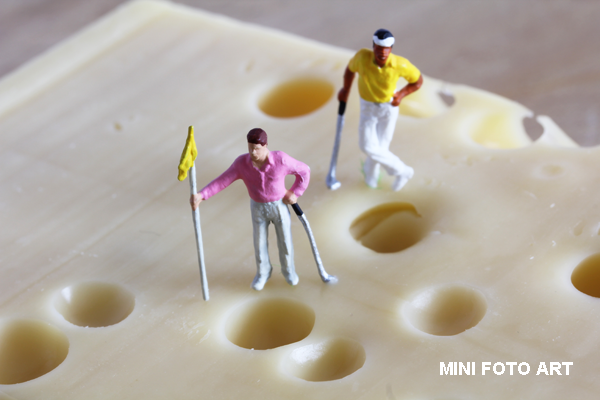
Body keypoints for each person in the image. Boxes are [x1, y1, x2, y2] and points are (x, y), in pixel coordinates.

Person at [190, 128, 310, 291]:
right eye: (250, 148)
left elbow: (304, 171)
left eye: (257, 148)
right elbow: (223, 180)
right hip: (257, 207)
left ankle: (288, 271)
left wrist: (295, 193)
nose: (253, 152)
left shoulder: (280, 159)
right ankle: (263, 272)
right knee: (259, 243)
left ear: (265, 145)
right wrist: (202, 195)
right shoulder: (242, 163)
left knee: (285, 242)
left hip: (279, 205)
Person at [338, 28, 423, 191]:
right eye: (379, 48)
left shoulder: (400, 64)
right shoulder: (362, 57)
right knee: (367, 146)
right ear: (373, 46)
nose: (382, 52)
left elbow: (417, 81)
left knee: (381, 148)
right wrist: (345, 89)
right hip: (367, 106)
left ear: (391, 49)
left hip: (388, 107)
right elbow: (350, 70)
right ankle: (403, 171)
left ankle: (370, 178)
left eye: (386, 49)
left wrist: (401, 95)